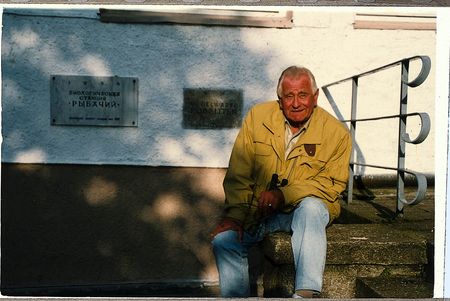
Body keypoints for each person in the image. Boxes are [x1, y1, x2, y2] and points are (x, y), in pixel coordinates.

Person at [210, 66, 352, 298]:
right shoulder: (258, 117)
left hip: (302, 213)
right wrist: (234, 216)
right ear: (280, 100)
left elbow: (331, 184)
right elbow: (240, 171)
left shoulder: (337, 133)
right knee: (224, 241)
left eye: (303, 95)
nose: (296, 103)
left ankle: (305, 293)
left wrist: (285, 194)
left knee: (312, 207)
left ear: (315, 97)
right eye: (289, 96)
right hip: (262, 211)